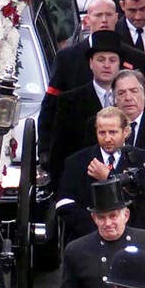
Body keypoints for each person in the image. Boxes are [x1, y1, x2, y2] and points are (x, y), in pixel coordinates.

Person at [38, 0, 122, 168]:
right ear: (87, 19)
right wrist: (45, 150)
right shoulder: (67, 58)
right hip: (78, 149)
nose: (104, 20)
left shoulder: (132, 56)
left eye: (108, 15)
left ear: (117, 17)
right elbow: (51, 105)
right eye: (98, 15)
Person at [55, 106, 145, 243]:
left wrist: (110, 177)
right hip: (88, 240)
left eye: (113, 132)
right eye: (102, 132)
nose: (107, 138)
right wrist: (101, 230)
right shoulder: (76, 161)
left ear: (126, 131)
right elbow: (64, 204)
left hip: (134, 239)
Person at [47, 30, 125, 189]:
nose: (107, 65)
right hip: (83, 186)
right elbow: (59, 153)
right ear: (90, 63)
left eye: (112, 60)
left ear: (119, 64)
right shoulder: (69, 101)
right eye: (101, 60)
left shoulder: (130, 99)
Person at [112, 68, 145, 153]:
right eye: (121, 93)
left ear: (144, 94)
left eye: (134, 91)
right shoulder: (103, 124)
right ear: (114, 98)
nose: (128, 98)